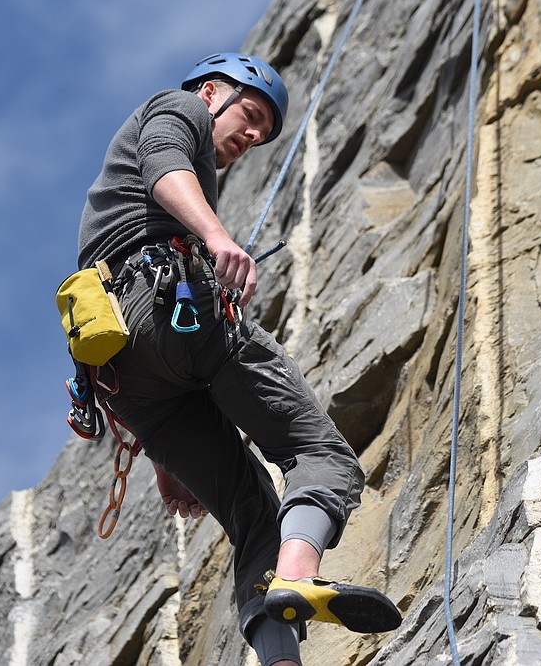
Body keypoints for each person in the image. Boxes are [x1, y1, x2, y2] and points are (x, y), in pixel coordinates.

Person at [76, 52, 401, 666]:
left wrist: (166, 456)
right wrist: (219, 238)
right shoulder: (177, 110)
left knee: (253, 512)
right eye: (250, 116)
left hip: (124, 373)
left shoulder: (123, 201)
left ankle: (279, 658)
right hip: (172, 311)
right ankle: (299, 577)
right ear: (210, 93)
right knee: (322, 456)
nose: (252, 136)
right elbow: (166, 167)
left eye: (261, 135)